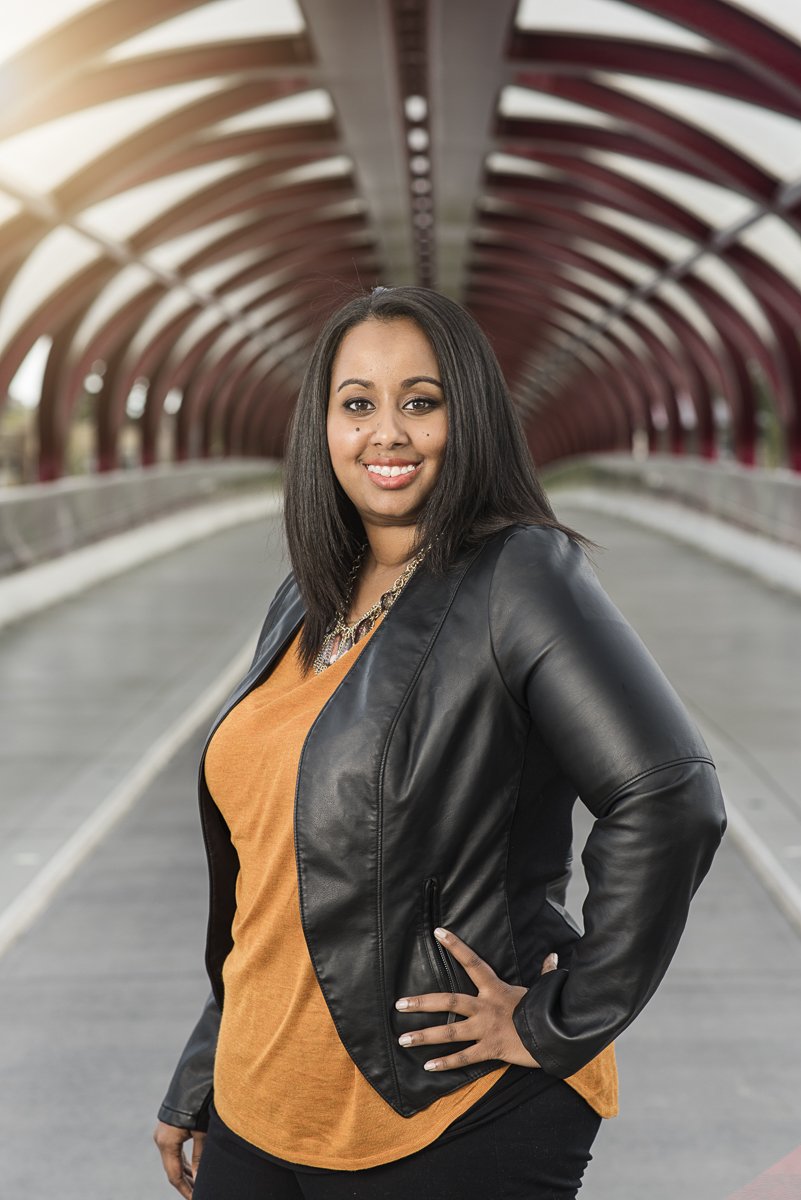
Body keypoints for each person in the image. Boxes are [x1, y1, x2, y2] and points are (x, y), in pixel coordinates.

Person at [153, 286, 726, 1198]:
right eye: (357, 404)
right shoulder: (304, 600)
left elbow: (667, 794)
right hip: (259, 1107)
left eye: (421, 403)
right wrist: (203, 1064)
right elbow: (274, 871)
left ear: (471, 420)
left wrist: (557, 1019)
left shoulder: (518, 575)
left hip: (444, 1112)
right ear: (322, 428)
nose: (388, 433)